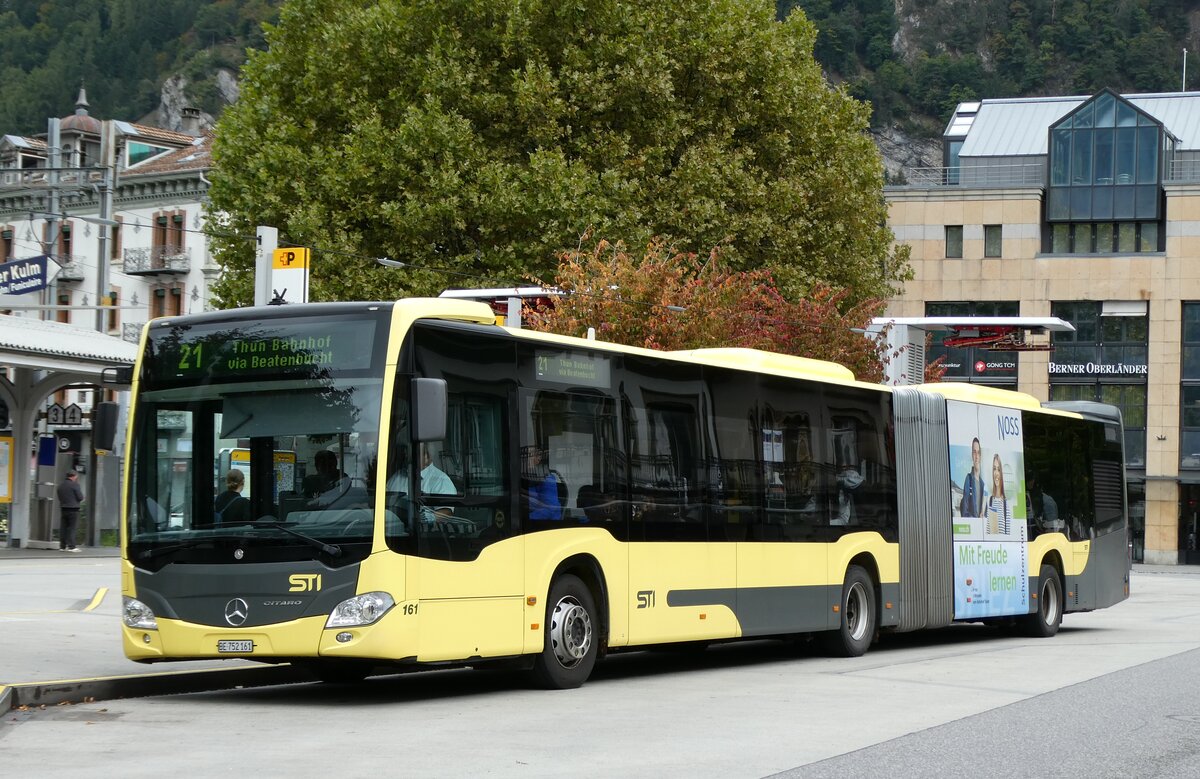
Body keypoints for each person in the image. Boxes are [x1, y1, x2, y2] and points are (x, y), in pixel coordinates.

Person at [523, 445, 562, 520]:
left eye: (529, 455)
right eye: (525, 455)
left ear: (538, 459)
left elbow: (551, 509)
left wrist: (526, 517)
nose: (526, 458)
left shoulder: (547, 479)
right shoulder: (529, 477)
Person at [984, 454, 1012, 535]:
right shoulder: (990, 501)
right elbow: (988, 531)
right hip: (992, 547)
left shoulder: (1006, 504)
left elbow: (1008, 535)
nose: (996, 473)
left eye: (998, 469)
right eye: (994, 469)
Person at [57, 470, 84, 552]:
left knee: (63, 527)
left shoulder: (61, 485)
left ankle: (62, 546)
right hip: (73, 508)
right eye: (76, 476)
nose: (76, 478)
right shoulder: (75, 485)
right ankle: (72, 546)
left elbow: (59, 496)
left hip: (63, 508)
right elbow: (80, 497)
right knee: (72, 528)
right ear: (74, 476)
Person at [959, 437, 987, 518]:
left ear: (980, 456)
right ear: (972, 455)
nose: (976, 456)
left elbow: (986, 511)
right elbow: (965, 512)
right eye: (974, 452)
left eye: (978, 453)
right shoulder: (969, 479)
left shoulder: (983, 485)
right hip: (973, 527)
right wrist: (975, 521)